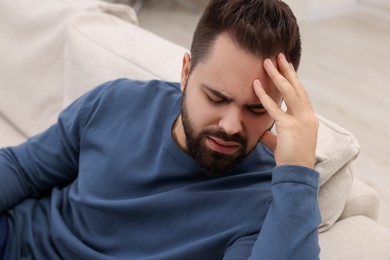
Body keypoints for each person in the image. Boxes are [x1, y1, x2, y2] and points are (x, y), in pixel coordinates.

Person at [0, 0, 321, 259]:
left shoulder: (267, 202)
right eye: (216, 97)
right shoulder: (116, 100)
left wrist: (299, 173)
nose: (231, 125)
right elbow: (23, 169)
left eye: (256, 109)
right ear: (186, 72)